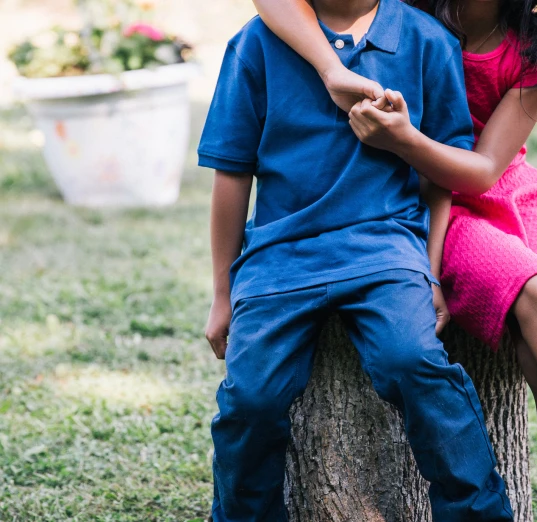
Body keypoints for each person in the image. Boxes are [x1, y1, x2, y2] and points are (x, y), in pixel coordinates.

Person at [248, 0, 537, 521]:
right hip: (432, 204)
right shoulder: (408, 11)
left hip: (506, 190)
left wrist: (406, 138)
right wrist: (333, 70)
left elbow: (483, 170)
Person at [198, 0, 517, 520]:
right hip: (280, 257)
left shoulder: (427, 41)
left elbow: (440, 178)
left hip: (385, 248)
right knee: (250, 398)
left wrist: (429, 271)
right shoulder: (255, 44)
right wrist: (221, 292)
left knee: (413, 362)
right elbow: (230, 172)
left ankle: (477, 512)